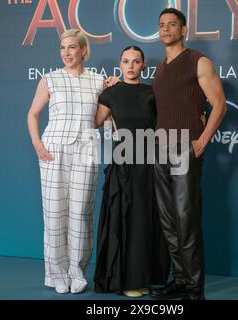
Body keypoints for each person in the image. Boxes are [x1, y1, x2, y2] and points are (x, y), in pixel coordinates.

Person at [27, 29, 118, 294]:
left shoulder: (99, 82)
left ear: (83, 51)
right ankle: (56, 274)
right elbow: (33, 114)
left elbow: (106, 118)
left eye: (72, 48)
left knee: (80, 213)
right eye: (62, 48)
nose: (66, 53)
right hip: (53, 151)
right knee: (54, 213)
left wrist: (113, 90)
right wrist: (37, 144)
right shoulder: (50, 79)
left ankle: (77, 272)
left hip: (86, 151)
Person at [151, 8, 227, 300]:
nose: (166, 29)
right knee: (168, 219)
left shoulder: (198, 61)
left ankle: (195, 290)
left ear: (184, 30)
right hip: (158, 147)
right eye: (161, 25)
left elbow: (219, 104)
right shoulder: (160, 67)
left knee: (186, 217)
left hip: (185, 147)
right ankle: (180, 280)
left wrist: (202, 140)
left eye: (172, 25)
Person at [93, 46, 170, 298]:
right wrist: (100, 88)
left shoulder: (153, 93)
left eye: (136, 61)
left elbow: (164, 126)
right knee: (126, 219)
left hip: (149, 164)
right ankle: (126, 280)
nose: (130, 65)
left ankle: (146, 277)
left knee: (147, 220)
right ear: (120, 63)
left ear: (143, 66)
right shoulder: (110, 94)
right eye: (126, 61)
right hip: (122, 162)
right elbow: (94, 122)